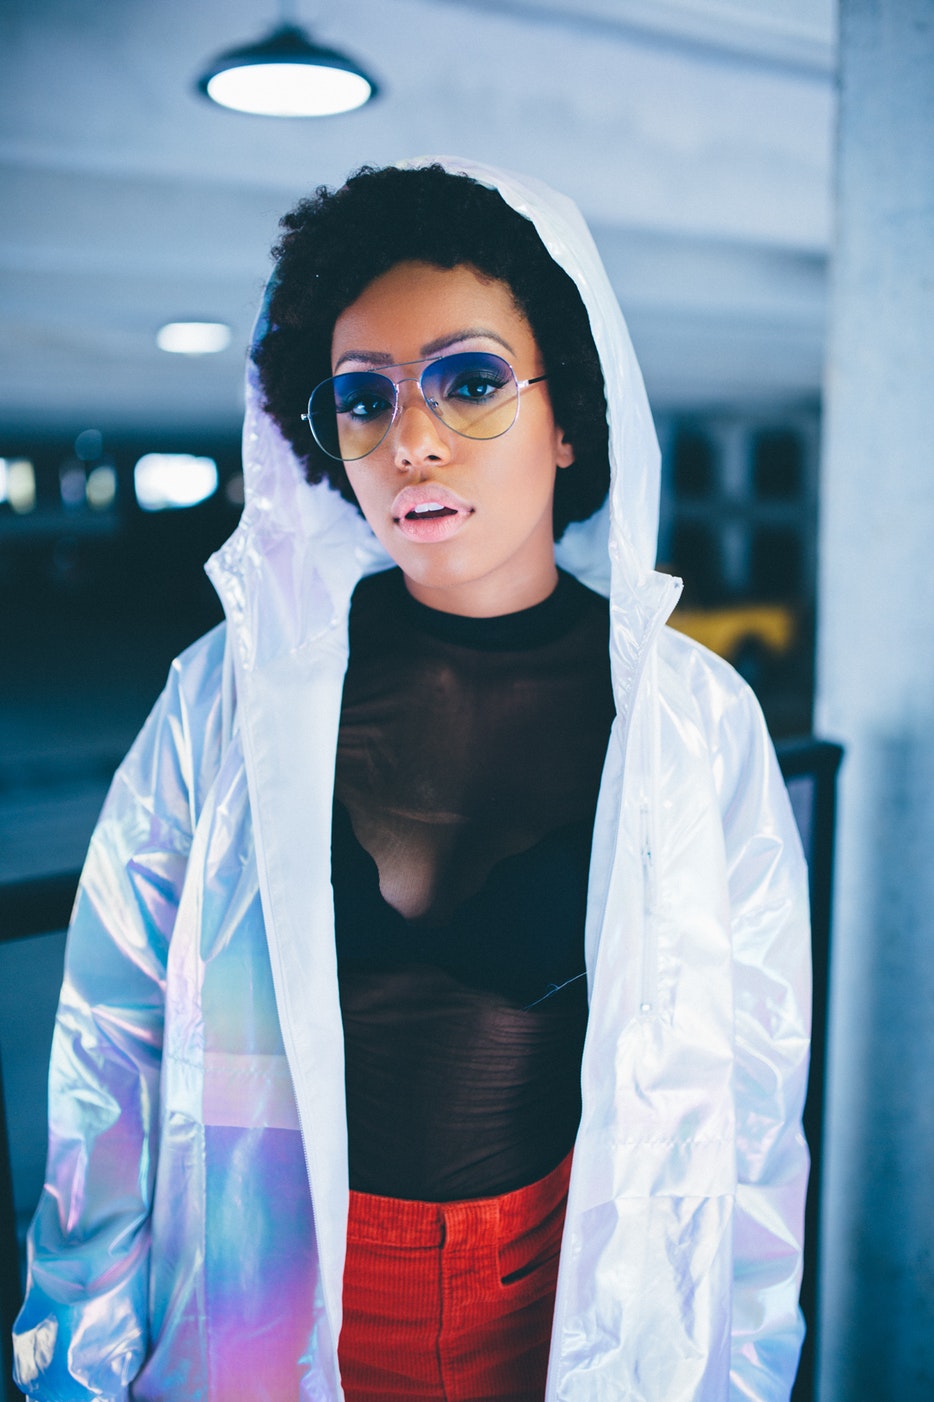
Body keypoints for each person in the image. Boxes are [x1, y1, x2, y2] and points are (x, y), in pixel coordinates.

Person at [13, 158, 811, 1401]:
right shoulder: (229, 700)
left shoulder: (692, 724)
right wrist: (76, 1365)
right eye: (362, 397)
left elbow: (750, 1105)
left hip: (567, 1315)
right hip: (264, 1310)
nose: (412, 441)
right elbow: (109, 1052)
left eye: (470, 381)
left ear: (569, 418)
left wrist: (740, 1373)